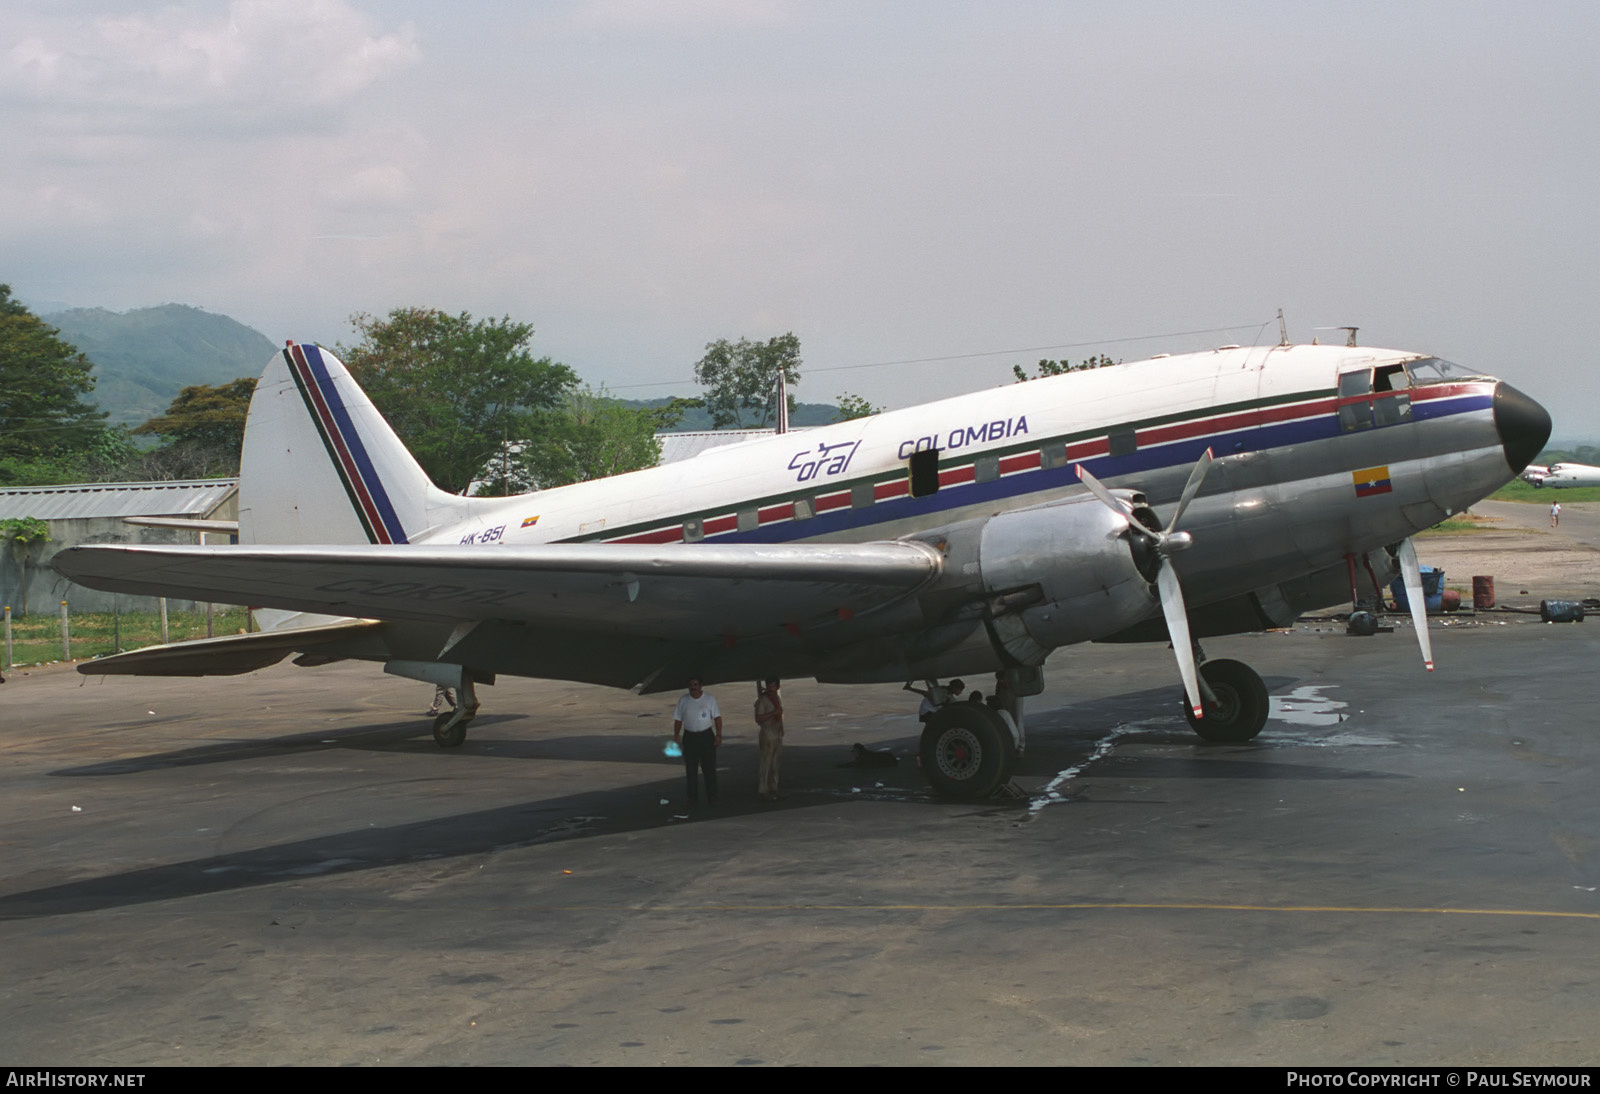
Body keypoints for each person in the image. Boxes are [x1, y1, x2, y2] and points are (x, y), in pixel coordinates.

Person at [673, 676, 722, 808]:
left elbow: (717, 718)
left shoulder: (709, 699)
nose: (693, 687)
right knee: (691, 770)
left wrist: (718, 735)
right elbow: (678, 719)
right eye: (691, 684)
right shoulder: (683, 700)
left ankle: (713, 798)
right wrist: (676, 735)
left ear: (701, 686)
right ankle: (692, 799)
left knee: (709, 770)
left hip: (706, 736)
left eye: (695, 684)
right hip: (690, 737)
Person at [754, 678, 784, 801]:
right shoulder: (763, 700)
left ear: (777, 687)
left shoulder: (777, 698)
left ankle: (774, 788)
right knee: (766, 763)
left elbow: (780, 714)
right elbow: (758, 718)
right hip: (767, 734)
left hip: (777, 733)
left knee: (775, 764)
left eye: (773, 686)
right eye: (769, 686)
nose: (771, 688)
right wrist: (773, 713)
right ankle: (763, 789)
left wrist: (782, 728)